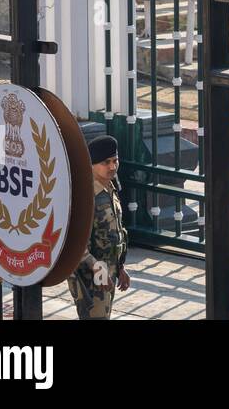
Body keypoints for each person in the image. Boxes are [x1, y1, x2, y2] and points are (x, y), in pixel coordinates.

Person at [68, 135, 129, 319]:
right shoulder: (86, 196)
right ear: (92, 164)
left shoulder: (109, 189)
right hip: (89, 275)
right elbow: (76, 242)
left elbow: (114, 231)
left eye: (115, 161)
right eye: (106, 162)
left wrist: (120, 267)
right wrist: (97, 268)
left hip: (107, 270)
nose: (112, 167)